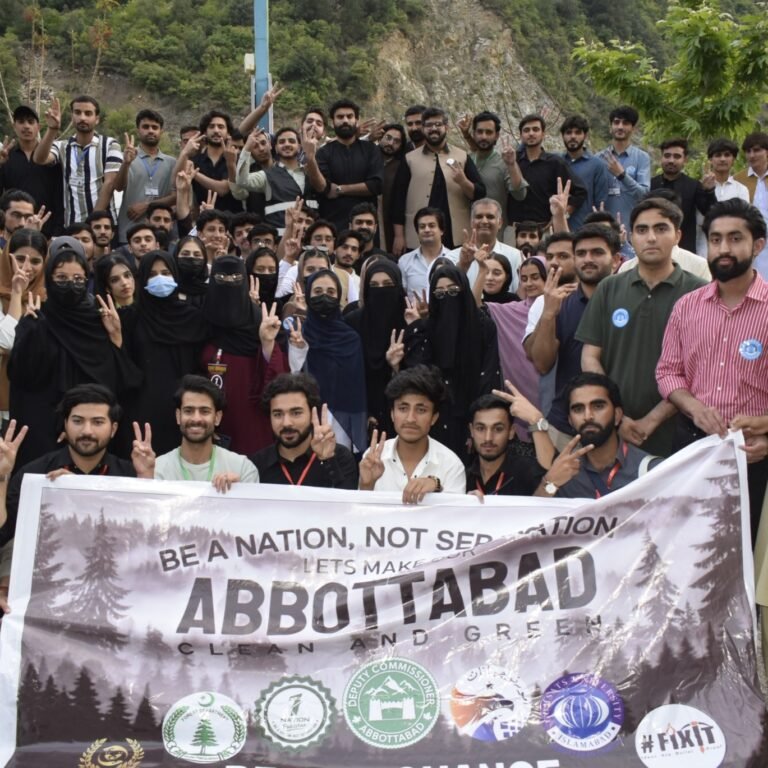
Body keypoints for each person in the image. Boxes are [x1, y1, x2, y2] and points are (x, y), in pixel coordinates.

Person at [656, 198, 768, 540]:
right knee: (685, 546)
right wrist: (694, 407)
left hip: (754, 453)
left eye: (735, 238)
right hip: (691, 447)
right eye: (716, 239)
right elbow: (667, 372)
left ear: (758, 245)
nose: (723, 248)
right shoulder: (687, 306)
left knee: (744, 552)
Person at [0, 385, 156, 612]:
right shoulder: (35, 474)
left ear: (113, 429)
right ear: (65, 424)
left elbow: (148, 538)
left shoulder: (130, 474)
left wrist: (146, 478)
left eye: (98, 422)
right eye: (78, 421)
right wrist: (1, 477)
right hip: (47, 596)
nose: (87, 431)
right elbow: (6, 534)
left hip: (116, 594)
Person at [577, 198, 706, 457]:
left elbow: (702, 370)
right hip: (615, 429)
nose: (651, 238)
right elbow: (590, 356)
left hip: (678, 432)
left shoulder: (699, 292)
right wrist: (614, 412)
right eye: (642, 230)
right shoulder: (609, 288)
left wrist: (653, 419)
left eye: (661, 228)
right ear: (631, 237)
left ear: (677, 235)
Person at [8, 238, 140, 467]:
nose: (70, 284)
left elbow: (118, 381)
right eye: (61, 278)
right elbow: (22, 376)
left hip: (91, 435)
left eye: (78, 279)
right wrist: (30, 331)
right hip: (43, 434)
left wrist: (116, 337)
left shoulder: (99, 321)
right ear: (49, 279)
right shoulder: (37, 319)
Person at [525, 224, 622, 450]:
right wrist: (548, 314)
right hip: (567, 428)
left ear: (616, 260)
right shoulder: (559, 303)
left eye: (597, 252)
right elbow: (542, 363)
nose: (588, 259)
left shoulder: (630, 301)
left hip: (621, 424)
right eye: (581, 253)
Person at [403, 262, 501, 456]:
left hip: (471, 416)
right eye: (439, 293)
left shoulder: (482, 326)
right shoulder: (427, 328)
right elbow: (417, 374)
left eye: (453, 291)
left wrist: (477, 425)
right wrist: (415, 327)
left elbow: (488, 376)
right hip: (434, 417)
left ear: (464, 290)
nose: (447, 297)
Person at [120, 250, 209, 456]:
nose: (160, 279)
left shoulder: (193, 318)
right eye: (152, 274)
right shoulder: (130, 318)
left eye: (166, 273)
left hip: (185, 410)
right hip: (141, 410)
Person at [201, 255, 286, 454]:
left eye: (236, 279)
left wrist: (267, 343)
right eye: (221, 278)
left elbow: (278, 380)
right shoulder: (201, 321)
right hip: (207, 421)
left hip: (251, 420)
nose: (229, 284)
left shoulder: (259, 322)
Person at [538, 373, 662, 498]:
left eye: (598, 406)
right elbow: (536, 510)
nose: (588, 416)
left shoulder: (652, 470)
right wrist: (550, 482)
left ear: (617, 415)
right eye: (578, 409)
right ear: (570, 421)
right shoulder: (565, 472)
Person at [287, 269, 367, 453]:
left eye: (331, 292)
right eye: (317, 291)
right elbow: (293, 377)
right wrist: (298, 348)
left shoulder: (350, 338)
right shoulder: (298, 333)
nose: (324, 297)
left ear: (339, 297)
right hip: (304, 418)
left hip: (341, 424)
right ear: (308, 295)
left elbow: (356, 389)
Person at [358, 365, 466, 503]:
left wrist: (437, 486)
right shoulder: (373, 458)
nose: (410, 419)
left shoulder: (451, 465)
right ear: (392, 414)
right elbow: (360, 514)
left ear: (434, 418)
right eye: (403, 408)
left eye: (421, 410)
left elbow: (456, 515)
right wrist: (367, 486)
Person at [392, 106, 486, 253]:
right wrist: (399, 236)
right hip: (419, 234)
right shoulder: (409, 159)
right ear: (423, 129)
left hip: (455, 236)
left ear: (446, 127)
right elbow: (398, 200)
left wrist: (463, 181)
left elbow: (480, 193)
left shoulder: (462, 156)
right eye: (429, 125)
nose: (433, 129)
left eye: (438, 124)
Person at [479, 256, 546, 446]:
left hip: (552, 392)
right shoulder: (509, 311)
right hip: (520, 393)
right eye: (524, 279)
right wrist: (480, 270)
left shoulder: (563, 308)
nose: (529, 283)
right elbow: (474, 305)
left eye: (535, 277)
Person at [251, 372, 358, 488]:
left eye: (296, 413)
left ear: (312, 414)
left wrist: (328, 460)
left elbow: (345, 498)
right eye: (278, 414)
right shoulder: (256, 464)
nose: (286, 423)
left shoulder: (340, 457)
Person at [153, 375, 259, 491]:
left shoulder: (242, 469)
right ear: (178, 416)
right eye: (188, 411)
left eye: (204, 411)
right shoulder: (157, 469)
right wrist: (146, 477)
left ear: (217, 417)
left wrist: (239, 490)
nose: (196, 419)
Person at [32, 94, 123, 226]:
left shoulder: (110, 145)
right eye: (77, 112)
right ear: (72, 117)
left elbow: (110, 183)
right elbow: (39, 159)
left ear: (97, 119)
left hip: (103, 226)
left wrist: (93, 222)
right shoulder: (62, 146)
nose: (82, 118)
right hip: (72, 225)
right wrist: (52, 129)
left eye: (88, 113)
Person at [344, 259, 407, 436]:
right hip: (362, 415)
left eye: (387, 284)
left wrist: (396, 367)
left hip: (402, 415)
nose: (381, 290)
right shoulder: (353, 322)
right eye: (374, 285)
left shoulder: (408, 323)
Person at [303, 99, 384, 233]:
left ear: (356, 120)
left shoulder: (371, 149)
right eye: (340, 117)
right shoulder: (324, 152)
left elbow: (376, 185)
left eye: (349, 116)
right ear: (333, 122)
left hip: (365, 226)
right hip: (333, 227)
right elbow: (323, 188)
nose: (345, 120)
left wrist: (341, 189)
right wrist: (310, 158)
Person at [507, 113, 586, 229]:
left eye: (535, 129)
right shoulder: (512, 161)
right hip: (514, 229)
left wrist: (561, 215)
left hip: (544, 229)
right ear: (521, 135)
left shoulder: (555, 163)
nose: (531, 133)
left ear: (543, 134)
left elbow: (580, 192)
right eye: (526, 130)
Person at [465, 393, 550, 496]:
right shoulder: (462, 477)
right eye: (480, 428)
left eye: (498, 429)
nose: (488, 438)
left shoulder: (527, 471)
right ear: (471, 430)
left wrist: (536, 419)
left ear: (511, 432)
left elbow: (554, 471)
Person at [0, 105, 62, 236]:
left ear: (38, 127)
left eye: (30, 122)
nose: (26, 126)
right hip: (14, 228)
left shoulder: (50, 156)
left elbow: (59, 195)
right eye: (21, 122)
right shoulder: (6, 155)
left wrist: (56, 231)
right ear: (14, 126)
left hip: (47, 228)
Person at [116, 109, 176, 243]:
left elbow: (176, 197)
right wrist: (126, 163)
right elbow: (118, 187)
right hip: (129, 231)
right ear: (138, 130)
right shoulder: (127, 156)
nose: (150, 131)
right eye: (146, 127)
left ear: (161, 131)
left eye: (155, 127)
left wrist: (147, 205)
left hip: (160, 234)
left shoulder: (172, 163)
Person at [651, 138, 717, 254]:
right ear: (661, 157)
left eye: (677, 156)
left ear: (685, 160)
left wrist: (709, 191)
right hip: (654, 246)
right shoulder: (651, 185)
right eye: (667, 156)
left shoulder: (693, 185)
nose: (671, 160)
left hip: (684, 249)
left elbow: (711, 213)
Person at [599, 105, 651, 250]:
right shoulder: (598, 158)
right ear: (610, 127)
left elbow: (644, 194)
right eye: (616, 122)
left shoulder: (642, 158)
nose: (620, 127)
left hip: (632, 231)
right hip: (603, 231)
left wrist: (622, 175)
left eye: (626, 123)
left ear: (633, 128)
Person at [450, 198, 523, 292]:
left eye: (490, 217)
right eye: (479, 217)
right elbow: (449, 292)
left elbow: (521, 296)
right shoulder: (453, 257)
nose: (484, 221)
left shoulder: (515, 256)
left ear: (500, 223)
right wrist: (463, 265)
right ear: (472, 222)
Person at [559, 114, 611, 230]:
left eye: (577, 132)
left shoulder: (597, 165)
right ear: (562, 136)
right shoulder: (556, 162)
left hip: (585, 231)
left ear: (585, 135)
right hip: (557, 229)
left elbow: (601, 203)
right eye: (568, 132)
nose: (573, 136)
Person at [734, 132, 768, 278]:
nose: (752, 155)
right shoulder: (737, 180)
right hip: (750, 242)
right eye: (748, 151)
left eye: (757, 150)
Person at [398, 207, 452, 298]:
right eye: (422, 227)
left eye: (432, 225)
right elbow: (401, 295)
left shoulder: (453, 258)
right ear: (417, 232)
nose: (427, 230)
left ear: (441, 230)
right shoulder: (404, 261)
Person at [173, 235, 208, 304]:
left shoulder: (212, 290)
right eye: (185, 254)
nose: (191, 257)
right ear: (176, 256)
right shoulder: (168, 288)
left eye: (197, 255)